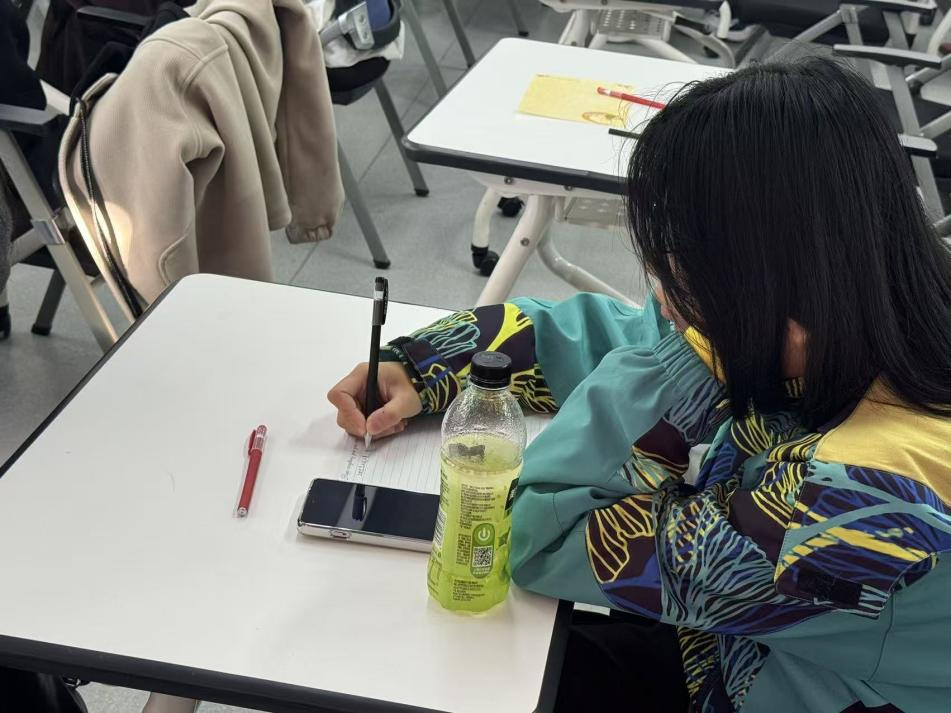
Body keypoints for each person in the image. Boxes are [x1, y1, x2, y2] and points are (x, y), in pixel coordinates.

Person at [328, 57, 951, 713]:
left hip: (738, 685)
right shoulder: (883, 313)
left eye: (686, 281)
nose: (665, 295)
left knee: (427, 668)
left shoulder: (858, 503)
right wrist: (428, 363)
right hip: (733, 645)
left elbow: (542, 535)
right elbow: (614, 336)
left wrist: (682, 356)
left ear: (783, 300)